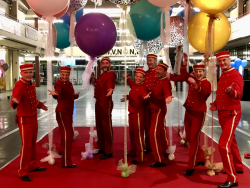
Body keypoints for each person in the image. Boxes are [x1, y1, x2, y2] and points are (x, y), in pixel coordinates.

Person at [170, 53, 211, 176]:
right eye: (197, 71)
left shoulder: (206, 83)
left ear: (204, 72)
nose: (198, 74)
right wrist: (184, 63)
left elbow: (204, 94)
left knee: (193, 139)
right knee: (189, 138)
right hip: (188, 113)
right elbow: (184, 75)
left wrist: (195, 84)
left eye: (201, 72)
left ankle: (191, 166)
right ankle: (201, 158)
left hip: (198, 114)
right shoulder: (192, 79)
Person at [210, 51, 244, 188]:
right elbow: (221, 93)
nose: (222, 63)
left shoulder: (236, 75)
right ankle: (238, 166)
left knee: (223, 145)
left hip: (232, 113)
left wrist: (232, 92)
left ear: (230, 60)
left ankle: (232, 178)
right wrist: (216, 104)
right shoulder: (223, 75)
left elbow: (238, 94)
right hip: (222, 113)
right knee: (232, 141)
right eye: (220, 61)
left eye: (224, 60)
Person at [10, 64, 48, 182]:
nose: (28, 74)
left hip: (33, 117)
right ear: (21, 73)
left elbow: (32, 100)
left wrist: (40, 105)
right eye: (26, 72)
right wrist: (14, 102)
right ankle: (22, 171)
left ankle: (32, 165)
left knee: (32, 143)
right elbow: (14, 101)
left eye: (30, 72)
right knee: (26, 146)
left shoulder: (31, 84)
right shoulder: (19, 86)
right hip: (24, 119)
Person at [48, 66, 80, 168]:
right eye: (63, 75)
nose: (64, 76)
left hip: (68, 111)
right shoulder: (59, 84)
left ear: (69, 75)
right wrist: (55, 95)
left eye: (66, 75)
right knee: (68, 135)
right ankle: (66, 162)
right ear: (60, 74)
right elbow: (58, 92)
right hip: (62, 111)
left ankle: (61, 151)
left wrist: (75, 96)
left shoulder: (69, 84)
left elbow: (68, 95)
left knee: (65, 133)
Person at [121, 68, 150, 164]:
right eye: (137, 76)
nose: (138, 78)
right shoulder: (134, 85)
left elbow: (143, 94)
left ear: (144, 78)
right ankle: (133, 151)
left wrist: (146, 97)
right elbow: (131, 85)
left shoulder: (143, 87)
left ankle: (140, 156)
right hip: (132, 113)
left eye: (140, 77)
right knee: (132, 134)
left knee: (138, 135)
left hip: (138, 114)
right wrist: (128, 97)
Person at [149, 62, 174, 168]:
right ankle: (163, 151)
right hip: (153, 109)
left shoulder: (165, 82)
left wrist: (168, 97)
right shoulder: (157, 80)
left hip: (158, 110)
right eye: (157, 69)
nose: (157, 71)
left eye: (160, 69)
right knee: (159, 132)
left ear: (165, 72)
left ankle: (159, 159)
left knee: (153, 133)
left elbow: (167, 91)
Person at [92, 57, 116, 160]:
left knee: (106, 127)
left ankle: (108, 150)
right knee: (99, 126)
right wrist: (92, 79)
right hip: (98, 102)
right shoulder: (101, 75)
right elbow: (97, 85)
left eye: (107, 63)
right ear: (101, 65)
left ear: (110, 64)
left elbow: (110, 82)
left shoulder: (111, 74)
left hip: (106, 102)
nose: (105, 65)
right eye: (103, 63)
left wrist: (110, 89)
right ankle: (101, 147)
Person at [143, 54, 160, 154]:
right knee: (147, 126)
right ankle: (149, 146)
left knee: (158, 128)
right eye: (148, 61)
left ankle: (161, 147)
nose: (149, 62)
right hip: (146, 103)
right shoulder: (145, 73)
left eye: (151, 61)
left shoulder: (159, 73)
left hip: (157, 103)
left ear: (155, 61)